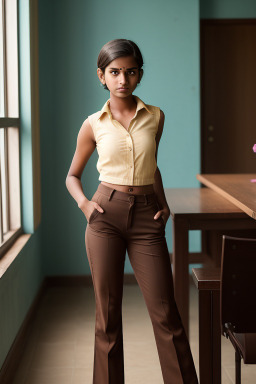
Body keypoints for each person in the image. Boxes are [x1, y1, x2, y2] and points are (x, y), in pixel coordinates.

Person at [66, 39, 198, 384]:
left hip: (146, 217)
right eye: (114, 72)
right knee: (107, 316)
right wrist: (85, 205)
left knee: (166, 313)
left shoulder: (155, 116)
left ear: (139, 75)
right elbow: (72, 176)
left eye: (130, 72)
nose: (122, 79)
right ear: (102, 76)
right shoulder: (93, 123)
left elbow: (151, 167)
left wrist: (164, 203)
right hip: (104, 217)